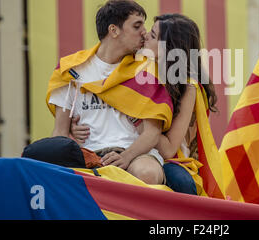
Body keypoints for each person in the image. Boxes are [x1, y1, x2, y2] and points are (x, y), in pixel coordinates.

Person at [71, 14, 218, 195]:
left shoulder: (187, 87)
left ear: (168, 48)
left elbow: (170, 149)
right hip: (131, 150)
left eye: (153, 36)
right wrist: (74, 126)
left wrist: (139, 116)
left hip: (169, 160)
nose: (145, 35)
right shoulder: (135, 67)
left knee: (182, 183)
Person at [44, 0, 169, 185]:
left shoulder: (147, 69)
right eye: (137, 26)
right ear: (114, 30)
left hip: (135, 154)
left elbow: (152, 133)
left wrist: (126, 157)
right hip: (87, 155)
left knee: (147, 174)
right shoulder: (71, 69)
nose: (144, 32)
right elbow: (60, 132)